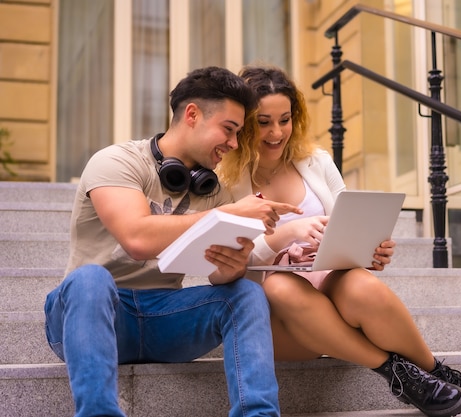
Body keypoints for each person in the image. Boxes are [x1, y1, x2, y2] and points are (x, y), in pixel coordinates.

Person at [217, 65, 461, 417]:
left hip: (328, 294)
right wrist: (286, 234)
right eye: (263, 122)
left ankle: (435, 372)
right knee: (280, 286)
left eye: (285, 119)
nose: (276, 132)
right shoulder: (224, 181)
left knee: (360, 284)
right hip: (275, 320)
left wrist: (370, 249)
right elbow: (223, 266)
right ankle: (397, 373)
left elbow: (347, 222)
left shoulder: (316, 162)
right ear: (244, 122)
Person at [44, 66, 303, 417]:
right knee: (90, 279)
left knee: (246, 293)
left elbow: (217, 278)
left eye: (240, 133)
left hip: (164, 314)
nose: (233, 143)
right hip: (93, 313)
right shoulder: (117, 161)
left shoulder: (213, 191)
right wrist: (226, 216)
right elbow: (136, 238)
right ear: (192, 115)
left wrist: (232, 267)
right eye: (229, 129)